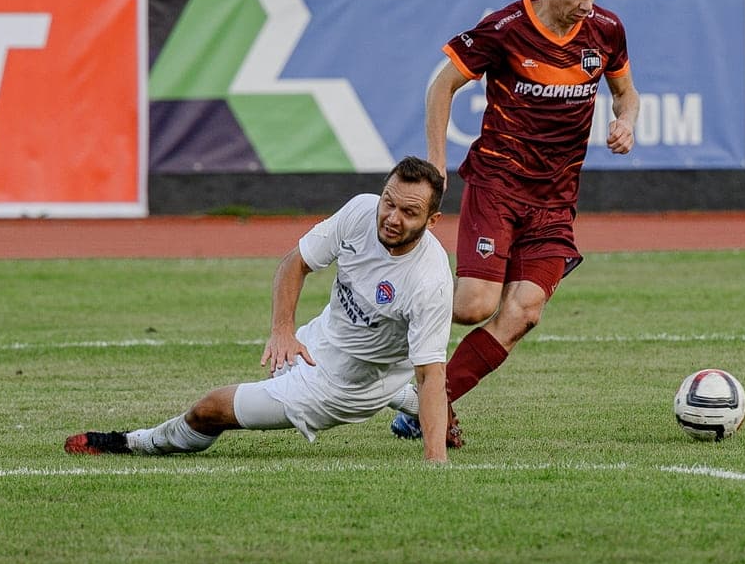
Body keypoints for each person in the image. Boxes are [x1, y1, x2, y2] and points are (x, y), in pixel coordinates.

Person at [387, 0, 639, 449]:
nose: (588, 6)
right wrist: (436, 162)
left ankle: (427, 405)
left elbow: (625, 92)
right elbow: (442, 86)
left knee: (524, 311)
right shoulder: (504, 29)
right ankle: (376, 310)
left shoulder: (607, 30)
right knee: (476, 304)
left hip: (556, 200)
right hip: (498, 183)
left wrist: (626, 121)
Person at [65, 158, 455, 463]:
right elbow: (294, 263)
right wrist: (282, 331)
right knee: (386, 378)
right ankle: (422, 412)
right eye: (389, 201)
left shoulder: (430, 282)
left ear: (432, 221)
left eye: (409, 212)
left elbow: (430, 373)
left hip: (337, 389)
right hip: (314, 341)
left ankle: (134, 442)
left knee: (209, 409)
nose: (391, 217)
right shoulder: (360, 212)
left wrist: (435, 463)